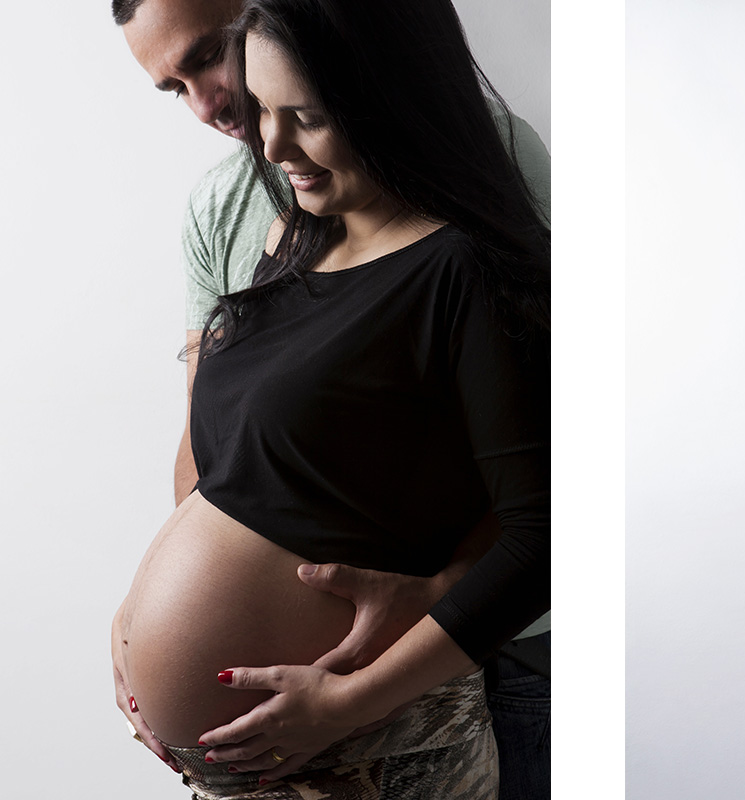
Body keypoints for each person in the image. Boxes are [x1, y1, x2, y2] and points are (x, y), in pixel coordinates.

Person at [110, 0, 551, 796]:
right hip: (265, 754)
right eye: (265, 109)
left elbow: (540, 531)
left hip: (376, 737)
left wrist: (348, 702)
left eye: (302, 116)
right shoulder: (288, 233)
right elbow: (225, 466)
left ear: (384, 94)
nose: (267, 142)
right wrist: (138, 614)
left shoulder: (461, 265)